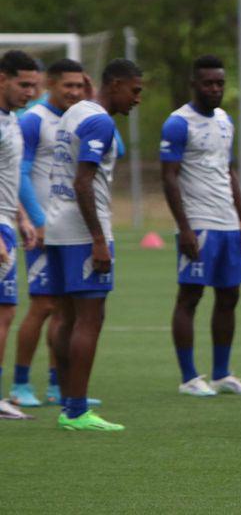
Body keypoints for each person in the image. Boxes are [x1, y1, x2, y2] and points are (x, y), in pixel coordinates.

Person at [48, 58, 143, 431]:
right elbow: (83, 183)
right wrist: (99, 240)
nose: (137, 99)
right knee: (90, 319)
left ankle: (67, 402)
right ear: (115, 84)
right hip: (83, 232)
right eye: (134, 90)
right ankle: (76, 411)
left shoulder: (73, 113)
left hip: (56, 226)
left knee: (65, 318)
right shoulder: (99, 122)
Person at [161, 55, 241, 397]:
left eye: (220, 83)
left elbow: (227, 171)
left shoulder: (224, 120)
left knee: (229, 294)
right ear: (194, 84)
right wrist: (184, 228)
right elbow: (169, 179)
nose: (215, 89)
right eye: (208, 83)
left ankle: (221, 374)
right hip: (198, 223)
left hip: (227, 223)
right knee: (190, 295)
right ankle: (189, 377)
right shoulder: (177, 123)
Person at [9, 60, 90, 409]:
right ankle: (21, 384)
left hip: (69, 229)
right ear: (51, 85)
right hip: (43, 228)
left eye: (79, 86)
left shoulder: (81, 117)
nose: (74, 92)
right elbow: (20, 173)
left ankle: (59, 386)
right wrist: (37, 220)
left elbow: (116, 148)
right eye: (68, 86)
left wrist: (93, 98)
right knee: (42, 305)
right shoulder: (32, 120)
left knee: (65, 308)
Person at [0, 51, 39, 420]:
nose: (30, 92)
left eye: (34, 85)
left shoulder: (11, 120)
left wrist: (22, 216)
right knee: (4, 311)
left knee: (6, 311)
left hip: (7, 222)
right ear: (2, 79)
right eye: (23, 84)